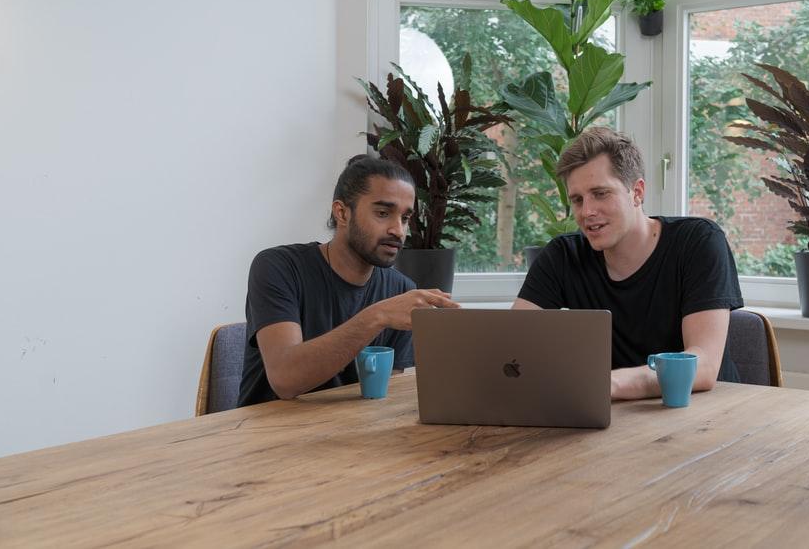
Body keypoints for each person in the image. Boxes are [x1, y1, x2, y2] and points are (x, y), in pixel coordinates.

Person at [512, 127, 743, 400]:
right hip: (613, 419)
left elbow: (702, 366)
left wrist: (609, 384)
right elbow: (511, 347)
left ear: (637, 192)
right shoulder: (562, 256)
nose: (587, 212)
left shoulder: (699, 242)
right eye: (577, 199)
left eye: (600, 193)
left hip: (704, 415)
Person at [237, 155, 459, 407]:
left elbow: (382, 398)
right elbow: (285, 379)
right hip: (266, 437)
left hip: (349, 436)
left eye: (405, 218)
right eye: (383, 213)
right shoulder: (278, 267)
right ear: (342, 213)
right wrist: (378, 316)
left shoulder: (401, 290)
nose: (398, 230)